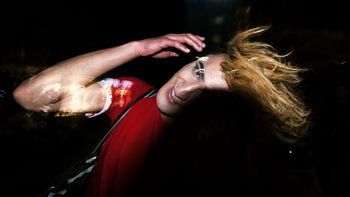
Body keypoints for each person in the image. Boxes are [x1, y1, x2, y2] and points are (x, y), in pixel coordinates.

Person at [13, 26, 310, 197]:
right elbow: (31, 96)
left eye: (206, 96)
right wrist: (135, 48)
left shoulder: (214, 165)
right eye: (197, 70)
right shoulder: (133, 96)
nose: (183, 89)